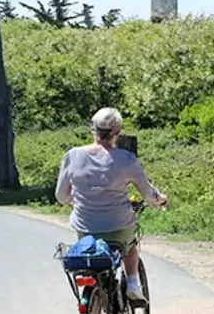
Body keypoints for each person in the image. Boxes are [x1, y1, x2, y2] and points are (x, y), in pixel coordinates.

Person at [56, 107, 166, 303]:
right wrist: (159, 199)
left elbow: (61, 195)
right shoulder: (126, 159)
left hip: (85, 227)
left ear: (93, 130)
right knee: (130, 247)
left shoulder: (72, 156)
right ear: (118, 132)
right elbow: (148, 193)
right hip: (118, 226)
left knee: (93, 263)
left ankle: (94, 312)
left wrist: (75, 201)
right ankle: (132, 284)